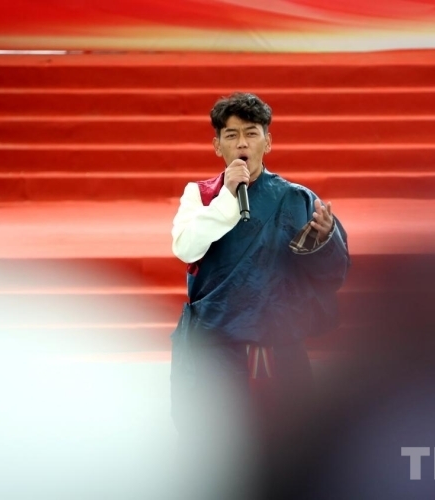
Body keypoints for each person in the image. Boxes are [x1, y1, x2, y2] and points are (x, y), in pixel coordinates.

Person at [169, 92, 350, 484]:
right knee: (215, 442)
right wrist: (227, 198)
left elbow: (331, 276)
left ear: (268, 141)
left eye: (251, 134)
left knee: (281, 437)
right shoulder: (199, 196)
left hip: (273, 337)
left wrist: (324, 241)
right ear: (217, 145)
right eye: (231, 135)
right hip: (215, 338)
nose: (242, 144)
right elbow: (186, 248)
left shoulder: (296, 198)